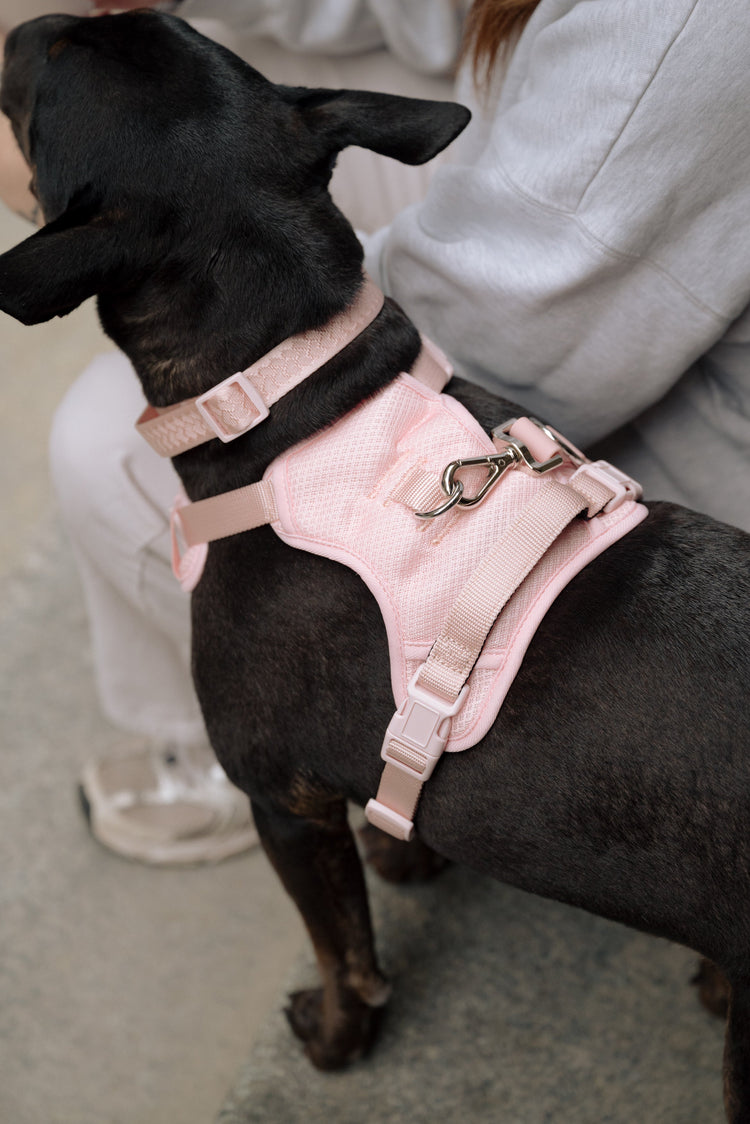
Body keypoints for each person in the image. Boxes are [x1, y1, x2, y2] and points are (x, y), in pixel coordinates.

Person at [1, 0, 748, 863]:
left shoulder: (684, 26)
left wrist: (139, 210)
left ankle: (284, 747)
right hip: (580, 195)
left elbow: (508, 336)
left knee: (112, 444)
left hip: (663, 421)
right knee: (199, 69)